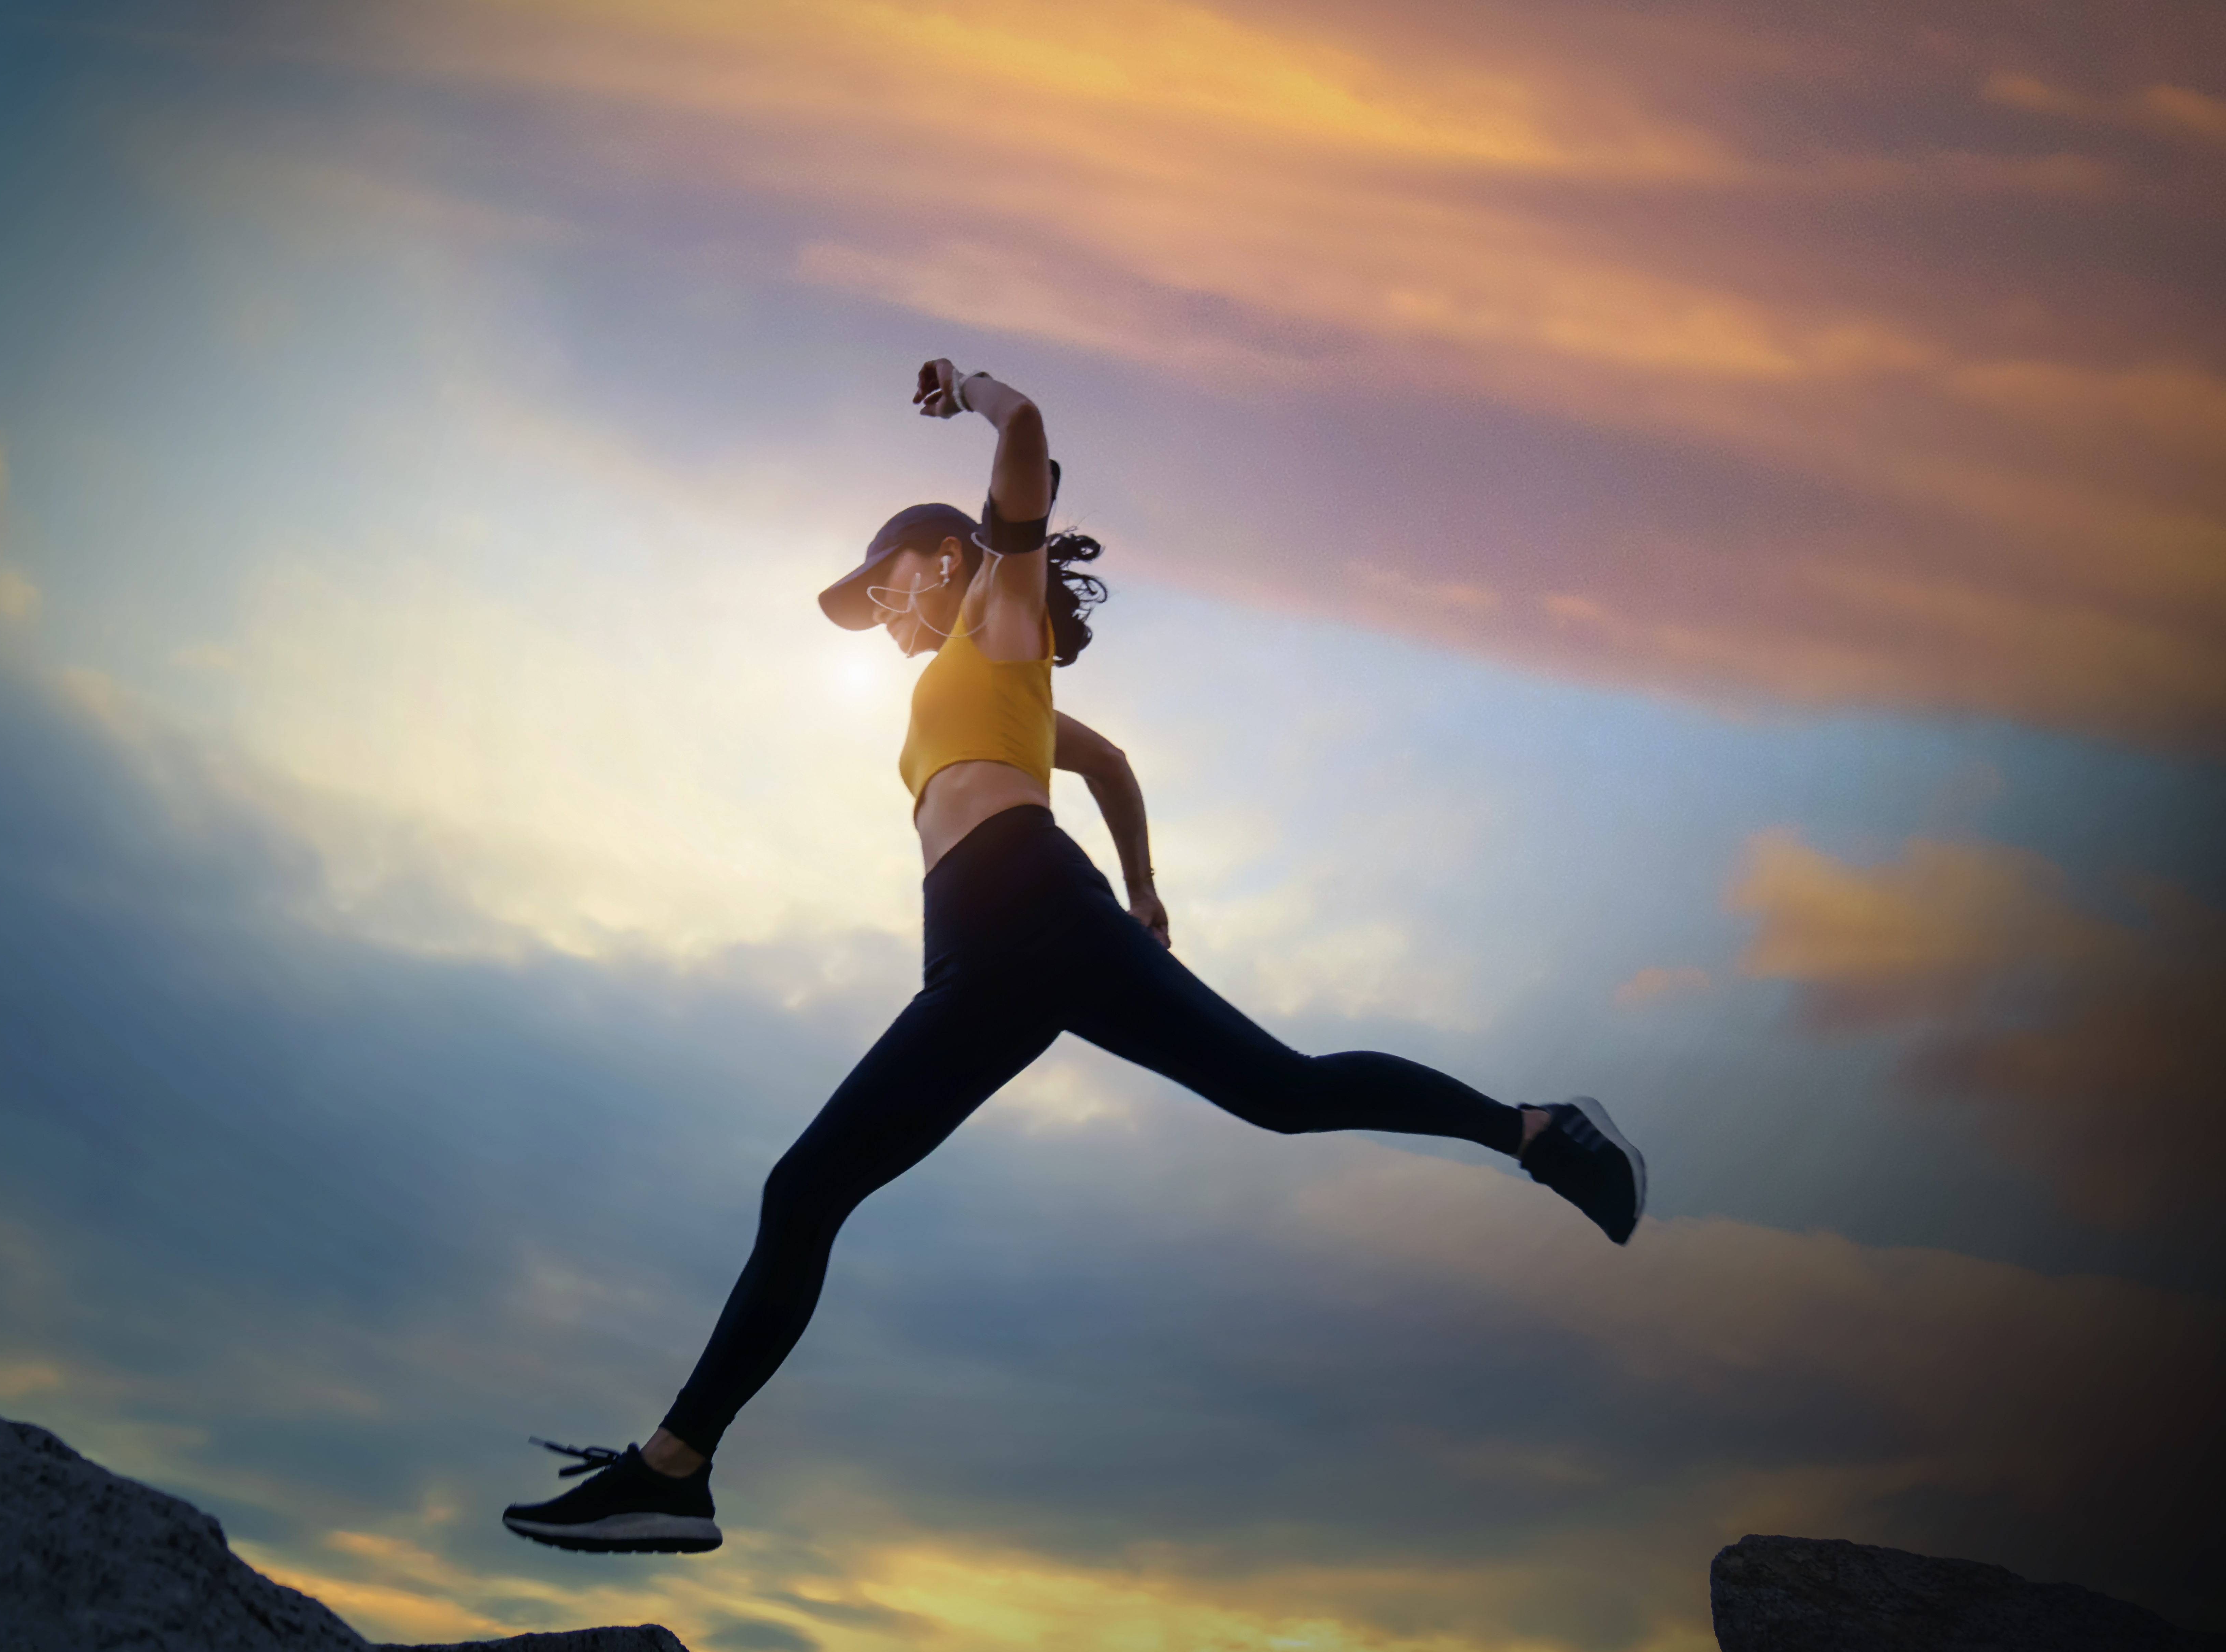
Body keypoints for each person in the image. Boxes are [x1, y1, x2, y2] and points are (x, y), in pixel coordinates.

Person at [502, 360, 1645, 1555]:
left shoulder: (999, 611)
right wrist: (1146, 891)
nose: (885, 620)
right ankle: (1535, 1131)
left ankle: (675, 1470)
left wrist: (973, 389)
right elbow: (1108, 767)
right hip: (993, 953)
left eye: (887, 590)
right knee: (1266, 1097)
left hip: (1023, 909)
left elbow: (1033, 433)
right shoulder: (987, 680)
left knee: (825, 1187)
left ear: (947, 560)